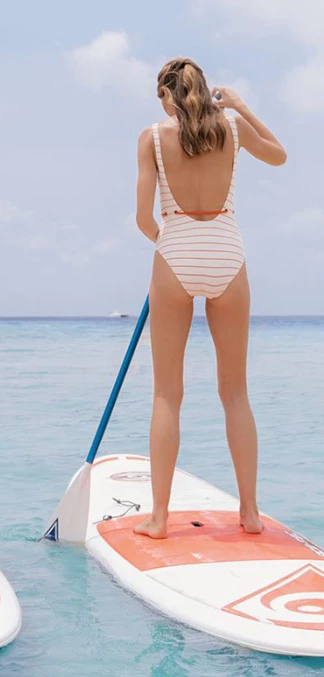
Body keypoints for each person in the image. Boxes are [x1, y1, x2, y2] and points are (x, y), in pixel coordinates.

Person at [133, 58, 287, 539]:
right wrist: (241, 105)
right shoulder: (233, 129)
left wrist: (174, 248)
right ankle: (250, 513)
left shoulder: (152, 137)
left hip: (177, 252)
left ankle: (159, 519)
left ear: (166, 93)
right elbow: (280, 155)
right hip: (227, 253)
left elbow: (143, 219)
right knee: (235, 392)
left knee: (166, 393)